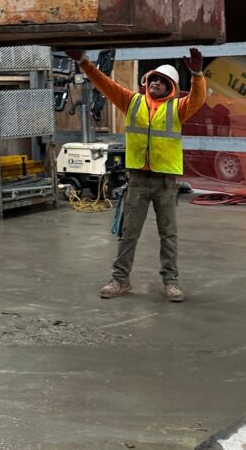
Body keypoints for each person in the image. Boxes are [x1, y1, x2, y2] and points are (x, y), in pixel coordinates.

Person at [64, 48, 206, 302]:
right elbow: (104, 83)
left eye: (162, 81)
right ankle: (120, 280)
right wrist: (84, 62)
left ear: (171, 87)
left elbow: (198, 97)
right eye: (153, 78)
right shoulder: (132, 102)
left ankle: (171, 281)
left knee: (168, 234)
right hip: (138, 180)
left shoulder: (178, 108)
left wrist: (196, 73)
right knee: (129, 233)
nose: (156, 83)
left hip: (165, 182)